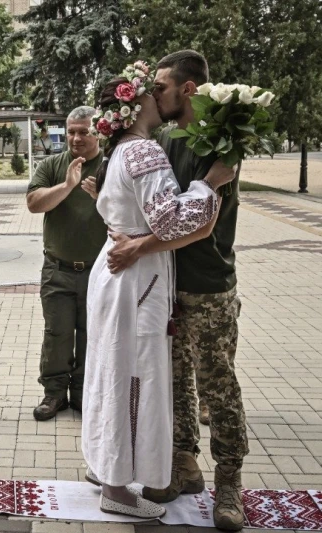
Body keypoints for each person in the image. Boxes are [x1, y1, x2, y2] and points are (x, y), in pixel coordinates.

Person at [100, 50, 248, 530]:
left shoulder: (221, 145)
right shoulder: (161, 138)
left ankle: (230, 483)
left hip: (207, 284)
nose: (152, 93)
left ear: (187, 89)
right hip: (165, 286)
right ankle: (182, 467)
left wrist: (138, 247)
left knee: (217, 387)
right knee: (172, 384)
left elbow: (201, 228)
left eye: (159, 86)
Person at [26, 106, 106, 419]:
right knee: (57, 334)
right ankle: (54, 394)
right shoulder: (53, 165)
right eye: (71, 131)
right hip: (57, 269)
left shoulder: (111, 166)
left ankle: (84, 394)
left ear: (98, 131)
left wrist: (103, 197)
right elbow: (34, 203)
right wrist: (67, 186)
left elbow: (129, 212)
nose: (76, 137)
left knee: (92, 334)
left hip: (98, 271)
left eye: (83, 131)